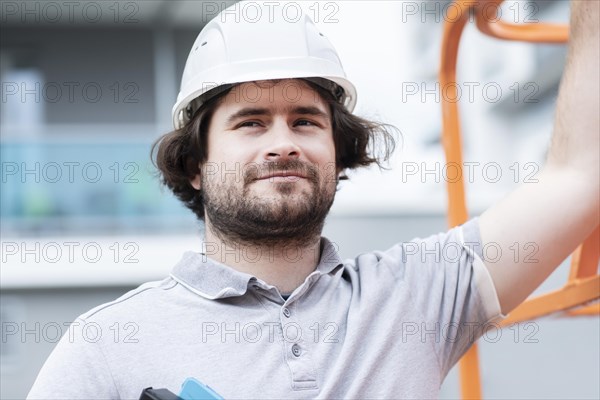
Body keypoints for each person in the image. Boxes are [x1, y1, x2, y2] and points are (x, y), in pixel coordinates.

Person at [28, 1, 598, 399]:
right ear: (195, 165)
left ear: (336, 152)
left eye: (305, 121)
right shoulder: (107, 343)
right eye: (251, 123)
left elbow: (579, 173)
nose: (283, 143)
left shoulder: (416, 295)